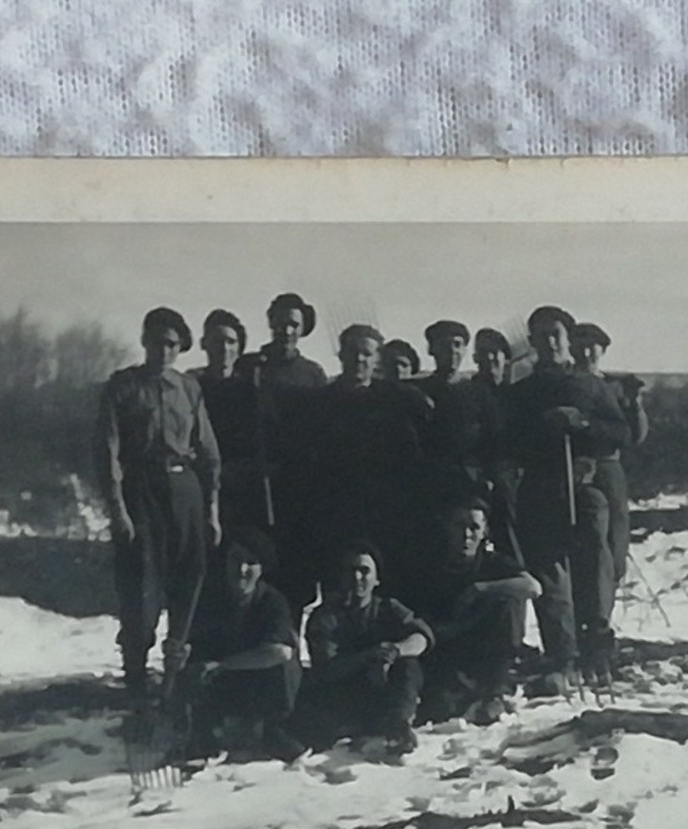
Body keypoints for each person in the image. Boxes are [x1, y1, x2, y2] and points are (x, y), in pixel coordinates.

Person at [94, 307, 222, 699]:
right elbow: (107, 451)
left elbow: (209, 453)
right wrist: (118, 509)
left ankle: (173, 682)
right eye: (156, 342)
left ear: (180, 348)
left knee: (188, 581)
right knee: (141, 587)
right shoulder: (123, 386)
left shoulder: (189, 388)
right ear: (145, 342)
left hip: (185, 491)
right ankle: (136, 680)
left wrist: (212, 510)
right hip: (141, 490)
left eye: (171, 344)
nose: (163, 350)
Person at [502, 305, 629, 692]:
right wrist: (542, 429)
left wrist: (583, 423)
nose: (549, 342)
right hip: (541, 489)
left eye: (555, 334)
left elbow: (620, 433)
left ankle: (597, 648)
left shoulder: (591, 386)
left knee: (593, 564)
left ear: (568, 339)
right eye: (540, 336)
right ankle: (563, 654)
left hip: (585, 489)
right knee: (550, 574)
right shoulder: (522, 392)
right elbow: (507, 440)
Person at [308, 324, 429, 594]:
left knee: (387, 590)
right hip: (337, 514)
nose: (359, 359)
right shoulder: (319, 403)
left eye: (366, 353)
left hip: (385, 514)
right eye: (352, 352)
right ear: (340, 355)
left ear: (377, 359)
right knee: (337, 589)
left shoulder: (399, 401)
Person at [235, 292, 330, 615]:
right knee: (260, 567)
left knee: (297, 573)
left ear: (302, 329)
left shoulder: (312, 374)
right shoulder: (251, 368)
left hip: (299, 487)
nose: (286, 330)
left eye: (293, 324)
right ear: (270, 323)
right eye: (280, 323)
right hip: (259, 486)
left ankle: (289, 645)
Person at [407, 499, 541, 725]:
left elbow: (533, 588)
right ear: (448, 526)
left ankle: (496, 690)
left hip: (486, 649)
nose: (466, 535)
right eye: (459, 526)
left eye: (474, 528)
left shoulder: (492, 562)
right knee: (442, 706)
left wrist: (482, 588)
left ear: (484, 532)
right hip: (447, 647)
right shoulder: (431, 565)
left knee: (509, 600)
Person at [294, 541, 434, 755]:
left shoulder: (388, 608)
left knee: (409, 664)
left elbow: (421, 636)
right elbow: (327, 669)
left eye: (364, 571)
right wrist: (370, 657)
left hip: (382, 692)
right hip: (343, 696)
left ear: (376, 579)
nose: (357, 577)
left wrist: (393, 652)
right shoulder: (325, 617)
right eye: (350, 571)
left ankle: (399, 727)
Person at [180, 526, 305, 761]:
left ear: (261, 569)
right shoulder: (209, 599)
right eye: (235, 560)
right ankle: (202, 733)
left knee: (286, 665)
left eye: (250, 563)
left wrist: (223, 664)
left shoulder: (273, 601)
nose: (241, 570)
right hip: (223, 686)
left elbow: (280, 652)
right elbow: (194, 646)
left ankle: (275, 731)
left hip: (260, 685)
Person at [571, 321, 646, 585]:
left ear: (602, 350)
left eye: (592, 348)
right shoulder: (566, 383)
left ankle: (608, 595)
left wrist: (634, 404)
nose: (586, 354)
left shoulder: (614, 386)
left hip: (607, 465)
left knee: (615, 536)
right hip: (572, 467)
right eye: (579, 347)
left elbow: (636, 435)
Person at [190, 309, 270, 532]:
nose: (224, 349)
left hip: (241, 487)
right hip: (202, 484)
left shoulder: (251, 390)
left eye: (230, 342)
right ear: (204, 344)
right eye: (217, 341)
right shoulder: (192, 387)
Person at [418, 320, 503, 519]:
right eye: (444, 345)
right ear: (431, 349)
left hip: (469, 484)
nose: (452, 351)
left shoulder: (479, 393)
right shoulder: (417, 393)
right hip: (430, 483)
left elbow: (494, 438)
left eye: (457, 345)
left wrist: (486, 475)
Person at [471, 327, 524, 564]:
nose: (490, 358)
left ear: (506, 358)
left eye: (496, 353)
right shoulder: (467, 394)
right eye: (483, 353)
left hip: (513, 478)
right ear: (475, 359)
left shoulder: (518, 396)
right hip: (477, 476)